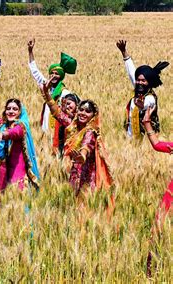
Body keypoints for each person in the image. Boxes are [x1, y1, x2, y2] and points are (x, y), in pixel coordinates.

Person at [28, 39, 77, 154]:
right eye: (52, 73)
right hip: (46, 127)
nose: (54, 76)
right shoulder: (47, 86)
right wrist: (30, 51)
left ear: (61, 77)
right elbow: (35, 72)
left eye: (57, 74)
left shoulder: (65, 93)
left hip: (58, 128)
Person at [116, 40, 169, 139]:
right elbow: (131, 71)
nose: (140, 83)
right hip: (130, 139)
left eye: (143, 81)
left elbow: (147, 104)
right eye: (138, 80)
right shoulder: (138, 87)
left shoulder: (150, 98)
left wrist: (141, 105)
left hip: (146, 141)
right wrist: (124, 52)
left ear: (149, 82)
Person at [142, 106, 172, 277]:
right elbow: (157, 144)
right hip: (171, 194)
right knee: (158, 229)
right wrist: (146, 122)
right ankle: (152, 271)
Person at [63, 100, 113, 197]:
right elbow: (59, 116)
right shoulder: (75, 127)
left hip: (86, 176)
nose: (83, 113)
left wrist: (82, 155)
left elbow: (87, 143)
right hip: (75, 173)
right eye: (81, 110)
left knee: (84, 205)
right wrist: (47, 96)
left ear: (94, 115)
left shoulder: (91, 131)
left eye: (87, 111)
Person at [40, 77, 81, 156]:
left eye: (69, 104)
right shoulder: (66, 120)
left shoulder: (83, 120)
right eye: (64, 105)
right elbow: (54, 109)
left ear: (77, 104)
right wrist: (46, 93)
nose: (67, 107)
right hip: (67, 156)